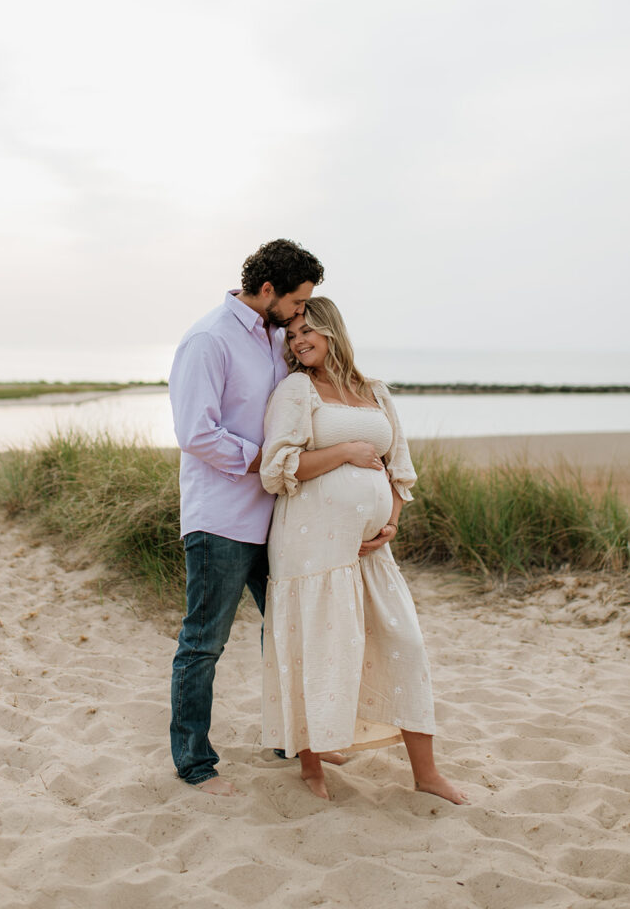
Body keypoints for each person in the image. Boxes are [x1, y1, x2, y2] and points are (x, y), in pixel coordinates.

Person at [260, 297, 468, 803]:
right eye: (291, 336)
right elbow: (277, 469)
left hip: (372, 552)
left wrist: (391, 521)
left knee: (405, 644)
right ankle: (311, 765)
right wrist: (345, 453)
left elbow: (400, 468)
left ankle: (427, 773)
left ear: (332, 329)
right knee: (319, 649)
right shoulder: (296, 390)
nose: (298, 340)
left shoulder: (374, 391)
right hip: (309, 551)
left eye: (307, 330)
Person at [169, 239, 324, 796]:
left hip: (276, 516)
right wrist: (270, 461)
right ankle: (194, 764)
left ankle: (289, 739)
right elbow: (196, 432)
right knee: (204, 642)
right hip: (222, 518)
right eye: (298, 301)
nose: (302, 312)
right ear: (267, 291)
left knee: (285, 631)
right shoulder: (209, 339)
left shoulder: (275, 335)